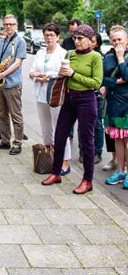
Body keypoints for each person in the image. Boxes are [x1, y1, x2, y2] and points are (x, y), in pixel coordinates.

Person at [42, 24, 103, 194]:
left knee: (86, 141)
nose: (76, 41)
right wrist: (62, 73)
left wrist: (73, 74)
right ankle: (56, 173)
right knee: (60, 136)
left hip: (86, 99)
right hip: (69, 98)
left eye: (80, 38)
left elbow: (96, 83)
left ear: (90, 40)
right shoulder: (69, 54)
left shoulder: (95, 57)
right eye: (75, 38)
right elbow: (64, 75)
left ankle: (87, 180)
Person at [28, 23, 71, 175]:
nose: (49, 38)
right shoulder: (40, 53)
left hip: (55, 95)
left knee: (60, 128)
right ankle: (49, 157)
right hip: (41, 94)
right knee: (46, 128)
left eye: (52, 35)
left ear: (58, 37)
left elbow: (63, 72)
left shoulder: (63, 53)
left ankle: (65, 162)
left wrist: (49, 76)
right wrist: (35, 75)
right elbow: (32, 71)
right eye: (46, 35)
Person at [0, 14, 27, 155]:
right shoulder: (3, 40)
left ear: (16, 25)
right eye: (6, 24)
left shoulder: (20, 42)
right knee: (2, 113)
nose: (9, 26)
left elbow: (17, 63)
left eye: (11, 24)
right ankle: (5, 140)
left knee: (16, 115)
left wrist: (2, 74)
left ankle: (17, 143)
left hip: (12, 84)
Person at [102, 26, 128, 189]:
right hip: (113, 103)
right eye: (114, 40)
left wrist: (121, 58)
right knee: (117, 139)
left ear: (127, 40)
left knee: (127, 139)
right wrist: (115, 82)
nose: (117, 42)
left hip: (126, 104)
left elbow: (127, 75)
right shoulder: (108, 56)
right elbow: (103, 79)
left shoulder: (119, 56)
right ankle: (120, 170)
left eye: (120, 39)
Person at [78, 32, 105, 164]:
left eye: (93, 41)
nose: (89, 43)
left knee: (97, 124)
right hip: (82, 94)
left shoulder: (100, 57)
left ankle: (97, 152)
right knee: (82, 125)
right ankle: (82, 151)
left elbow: (101, 78)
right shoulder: (80, 56)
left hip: (96, 94)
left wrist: (104, 87)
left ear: (97, 44)